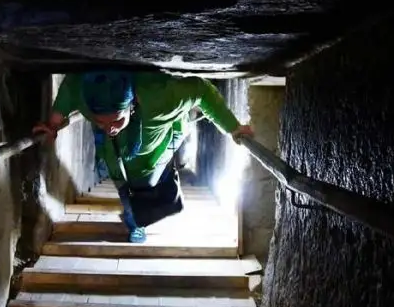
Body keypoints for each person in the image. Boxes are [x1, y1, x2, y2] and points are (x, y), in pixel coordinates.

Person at [34, 71, 253, 243]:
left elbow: (201, 91)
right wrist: (52, 125)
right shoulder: (85, 93)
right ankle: (135, 221)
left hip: (154, 156)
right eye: (100, 122)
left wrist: (234, 128)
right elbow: (71, 87)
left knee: (149, 184)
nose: (109, 128)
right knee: (124, 190)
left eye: (116, 121)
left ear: (131, 104)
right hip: (116, 158)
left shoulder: (159, 100)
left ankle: (154, 198)